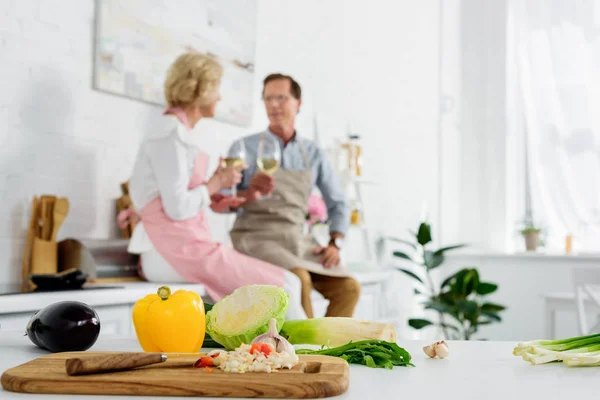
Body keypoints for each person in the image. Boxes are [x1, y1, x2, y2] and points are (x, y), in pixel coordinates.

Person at [120, 52, 307, 320]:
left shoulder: (176, 133)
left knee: (290, 284)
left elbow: (179, 198)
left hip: (181, 246)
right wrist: (214, 183)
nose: (219, 97)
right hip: (171, 251)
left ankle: (288, 353)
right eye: (216, 89)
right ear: (201, 90)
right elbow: (177, 208)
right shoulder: (169, 135)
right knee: (287, 285)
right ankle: (311, 356)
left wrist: (214, 191)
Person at [224, 73, 361, 318]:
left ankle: (330, 349)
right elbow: (223, 203)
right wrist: (251, 192)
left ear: (298, 103)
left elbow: (338, 202)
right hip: (255, 237)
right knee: (300, 279)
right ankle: (305, 352)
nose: (274, 105)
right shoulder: (243, 147)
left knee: (349, 288)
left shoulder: (313, 153)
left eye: (281, 98)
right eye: (268, 99)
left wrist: (335, 242)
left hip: (296, 239)